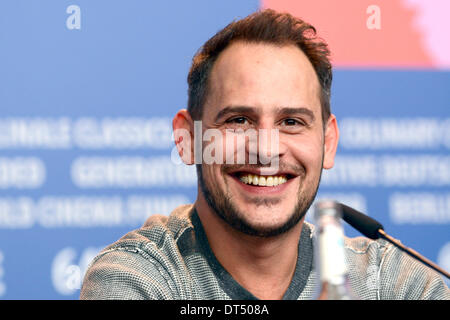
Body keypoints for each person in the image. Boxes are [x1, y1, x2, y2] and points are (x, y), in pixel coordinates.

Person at [80, 9, 449, 300]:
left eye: (291, 121)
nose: (267, 150)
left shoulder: (392, 282)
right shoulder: (136, 278)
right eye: (239, 120)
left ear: (328, 142)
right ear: (188, 138)